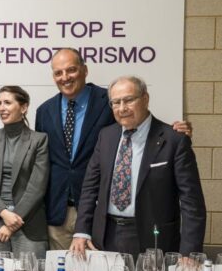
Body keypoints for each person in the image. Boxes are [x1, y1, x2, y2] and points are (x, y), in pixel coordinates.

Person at [35, 47, 192, 251]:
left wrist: (175, 131)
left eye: (71, 70)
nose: (65, 77)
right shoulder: (44, 111)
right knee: (62, 269)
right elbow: (43, 161)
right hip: (58, 212)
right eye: (58, 72)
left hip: (100, 213)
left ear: (85, 70)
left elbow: (138, 125)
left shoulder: (110, 101)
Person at [72, 76, 206, 257]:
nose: (122, 108)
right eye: (116, 102)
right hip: (104, 236)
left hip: (154, 239)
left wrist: (189, 252)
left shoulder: (174, 140)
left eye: (129, 100)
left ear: (145, 99)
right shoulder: (106, 136)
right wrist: (81, 231)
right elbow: (90, 187)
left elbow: (192, 203)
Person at [0, 86, 49, 259]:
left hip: (28, 221)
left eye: (7, 103)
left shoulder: (39, 139)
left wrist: (11, 223)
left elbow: (37, 187)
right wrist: (3, 212)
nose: (1, 108)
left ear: (23, 107)